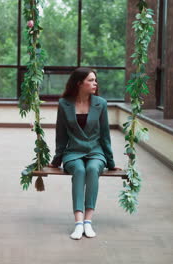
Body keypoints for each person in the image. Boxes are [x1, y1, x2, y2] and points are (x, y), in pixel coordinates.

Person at [48, 67, 122, 240]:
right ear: (79, 83)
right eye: (90, 80)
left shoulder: (100, 103)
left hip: (96, 151)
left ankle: (88, 221)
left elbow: (105, 135)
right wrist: (56, 160)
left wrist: (110, 163)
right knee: (80, 170)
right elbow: (61, 135)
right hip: (73, 152)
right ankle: (78, 222)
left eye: (95, 80)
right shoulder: (64, 103)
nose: (95, 83)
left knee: (93, 169)